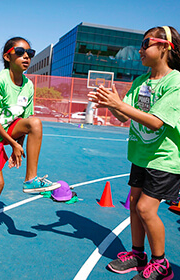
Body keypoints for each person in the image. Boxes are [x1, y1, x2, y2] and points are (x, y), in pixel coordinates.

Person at [89, 26, 180, 280]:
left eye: (145, 44)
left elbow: (156, 122)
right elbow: (123, 116)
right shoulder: (141, 82)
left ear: (165, 47)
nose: (140, 50)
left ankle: (161, 264)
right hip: (140, 155)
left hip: (164, 158)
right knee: (134, 207)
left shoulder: (176, 82)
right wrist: (111, 104)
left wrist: (119, 104)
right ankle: (138, 254)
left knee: (146, 209)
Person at [0, 37, 61, 251]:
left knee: (36, 123)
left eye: (30, 53)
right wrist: (13, 143)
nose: (26, 57)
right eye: (21, 52)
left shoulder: (28, 85)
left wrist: (17, 146)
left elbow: (25, 120)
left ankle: (30, 179)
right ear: (7, 56)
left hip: (9, 128)